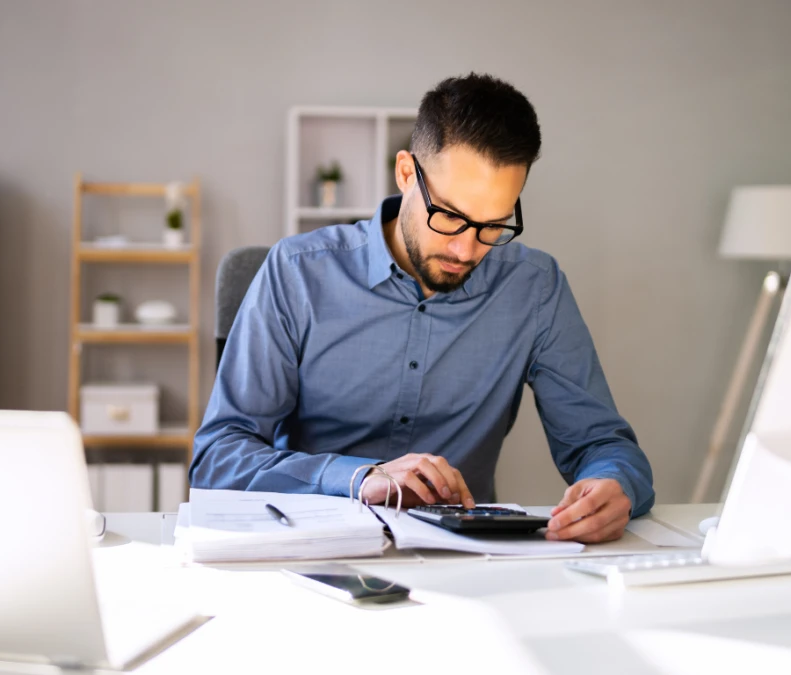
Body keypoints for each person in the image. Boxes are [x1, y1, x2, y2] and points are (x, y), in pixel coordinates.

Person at [191, 73, 654, 543]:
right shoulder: (297, 272)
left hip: (465, 558)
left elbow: (600, 442)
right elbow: (217, 458)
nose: (467, 249)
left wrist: (615, 485)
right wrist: (359, 478)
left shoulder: (535, 287)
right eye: (450, 216)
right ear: (407, 173)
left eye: (493, 226)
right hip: (310, 550)